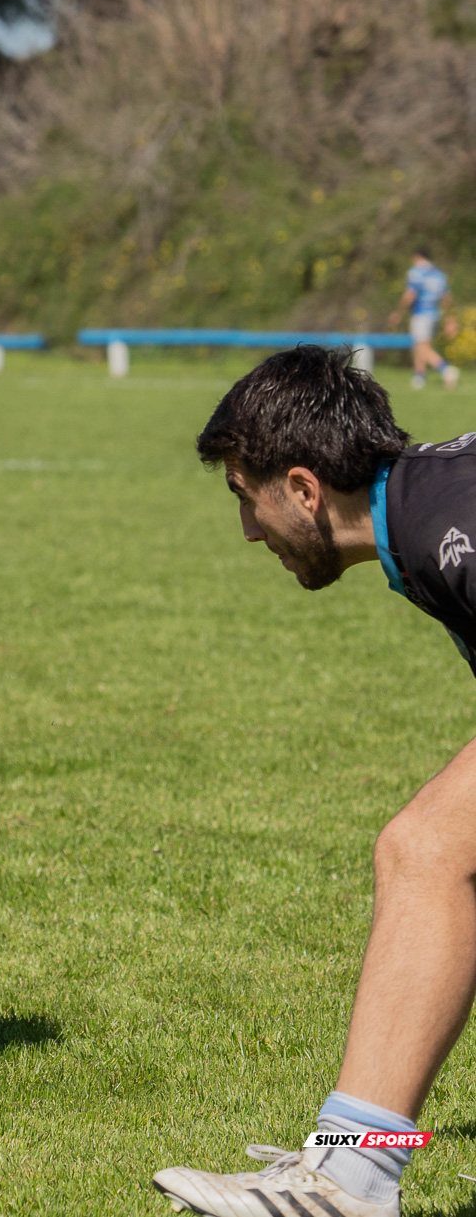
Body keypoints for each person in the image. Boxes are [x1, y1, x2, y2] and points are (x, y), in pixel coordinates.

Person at [153, 345, 460, 1216]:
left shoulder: (452, 530)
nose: (249, 531)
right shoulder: (429, 520)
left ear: (302, 487)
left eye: (245, 499)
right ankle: (358, 1165)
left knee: (428, 849)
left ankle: (354, 1177)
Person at [389, 249, 458, 391]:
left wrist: (398, 312)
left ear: (416, 257)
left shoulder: (416, 272)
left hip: (421, 313)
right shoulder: (439, 274)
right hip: (434, 314)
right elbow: (446, 298)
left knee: (421, 347)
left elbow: (410, 294)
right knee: (422, 345)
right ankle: (419, 377)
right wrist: (450, 318)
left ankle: (446, 369)